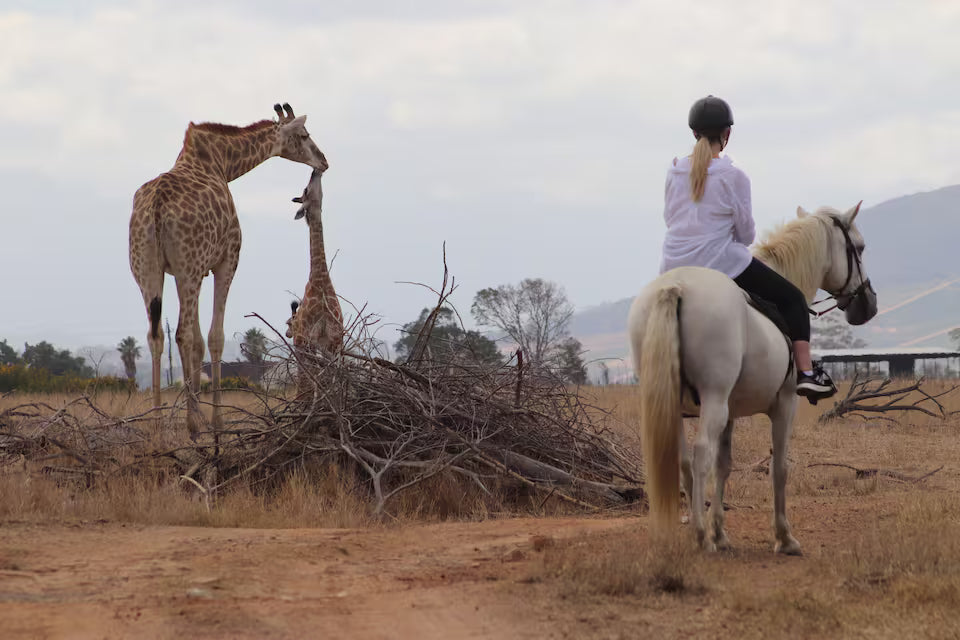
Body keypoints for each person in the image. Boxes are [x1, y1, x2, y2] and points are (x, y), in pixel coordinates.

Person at [659, 95, 836, 401]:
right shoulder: (734, 175)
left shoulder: (673, 172)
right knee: (793, 299)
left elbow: (669, 218)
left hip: (672, 267)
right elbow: (745, 234)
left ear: (694, 133)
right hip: (720, 263)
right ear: (727, 134)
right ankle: (807, 373)